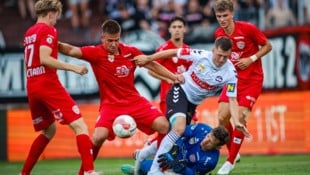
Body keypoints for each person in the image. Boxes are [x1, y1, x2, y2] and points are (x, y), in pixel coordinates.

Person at [58, 19, 183, 175]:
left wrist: (173, 76)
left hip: (134, 101)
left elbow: (152, 65)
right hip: (110, 105)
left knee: (164, 126)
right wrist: (50, 43)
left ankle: (158, 169)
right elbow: (70, 50)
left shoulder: (130, 52)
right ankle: (84, 172)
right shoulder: (96, 53)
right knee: (97, 137)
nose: (113, 44)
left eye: (117, 40)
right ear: (102, 37)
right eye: (110, 40)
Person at [133, 36, 250, 175]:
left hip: (192, 105)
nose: (221, 60)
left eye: (225, 57)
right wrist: (148, 58)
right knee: (179, 129)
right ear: (213, 51)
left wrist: (236, 121)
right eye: (219, 55)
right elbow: (174, 52)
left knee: (177, 134)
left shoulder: (230, 73)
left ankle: (143, 154)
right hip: (180, 91)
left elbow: (232, 99)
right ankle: (154, 171)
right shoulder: (201, 55)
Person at [20, 0, 98, 175]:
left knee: (49, 130)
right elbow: (45, 58)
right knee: (80, 126)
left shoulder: (29, 32)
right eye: (56, 15)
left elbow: (35, 58)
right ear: (51, 13)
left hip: (32, 85)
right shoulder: (48, 29)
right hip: (47, 84)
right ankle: (89, 172)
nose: (56, 19)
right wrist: (75, 67)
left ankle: (23, 173)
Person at [213, 0, 273, 174]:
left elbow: (268, 46)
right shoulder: (219, 34)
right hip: (233, 81)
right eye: (219, 16)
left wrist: (251, 59)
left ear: (232, 14)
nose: (222, 19)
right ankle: (234, 151)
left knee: (239, 117)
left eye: (225, 16)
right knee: (222, 117)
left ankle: (230, 162)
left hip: (252, 80)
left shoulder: (248, 29)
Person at [121, 123, 230, 175]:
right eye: (208, 137)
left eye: (211, 142)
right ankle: (137, 169)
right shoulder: (203, 129)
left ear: (218, 147)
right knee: (145, 164)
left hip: (177, 171)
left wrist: (182, 168)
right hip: (169, 155)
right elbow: (179, 132)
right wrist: (174, 149)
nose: (206, 141)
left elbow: (192, 174)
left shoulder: (210, 161)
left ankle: (137, 171)